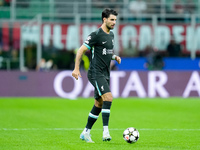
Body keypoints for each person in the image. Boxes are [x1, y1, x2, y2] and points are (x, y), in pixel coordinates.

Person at [72, 8, 121, 143]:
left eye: (115, 20)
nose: (114, 22)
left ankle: (85, 132)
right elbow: (80, 51)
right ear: (104, 19)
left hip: (105, 73)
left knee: (99, 103)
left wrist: (114, 56)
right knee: (108, 97)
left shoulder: (111, 35)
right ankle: (106, 132)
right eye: (112, 19)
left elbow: (105, 53)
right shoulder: (95, 35)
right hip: (95, 73)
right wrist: (76, 69)